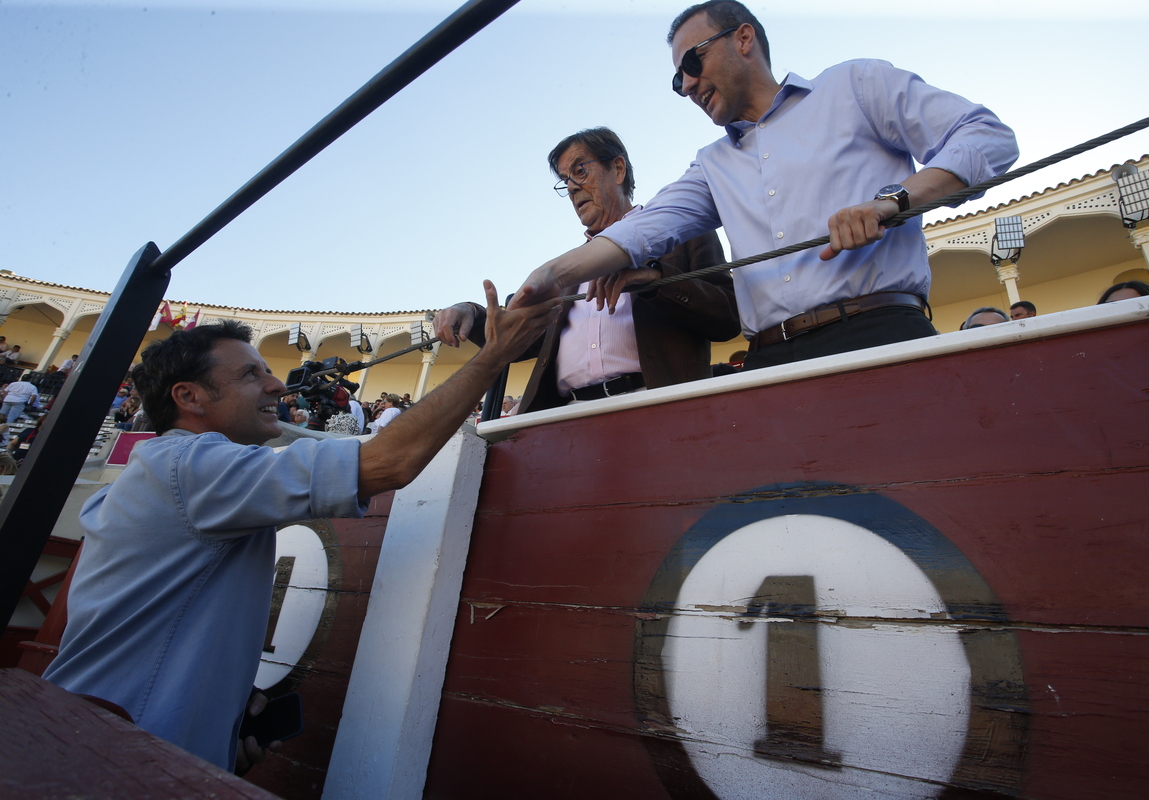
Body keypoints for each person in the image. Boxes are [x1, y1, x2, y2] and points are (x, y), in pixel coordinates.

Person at [42, 286, 558, 773]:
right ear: (190, 397)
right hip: (114, 756)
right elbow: (390, 462)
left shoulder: (167, 468)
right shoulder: (192, 465)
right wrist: (493, 356)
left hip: (96, 736)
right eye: (251, 376)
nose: (275, 385)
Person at [510, 2, 1018, 372]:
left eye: (693, 62)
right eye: (677, 79)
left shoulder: (856, 86)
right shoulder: (712, 165)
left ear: (743, 39)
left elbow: (987, 137)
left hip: (881, 337)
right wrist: (552, 274)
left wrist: (892, 202)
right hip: (768, 363)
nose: (686, 84)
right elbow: (645, 227)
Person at [435, 127, 739, 413]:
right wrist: (472, 314)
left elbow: (727, 317)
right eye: (565, 179)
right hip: (566, 416)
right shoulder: (567, 272)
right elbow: (521, 338)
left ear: (618, 169)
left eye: (580, 170)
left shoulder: (683, 234)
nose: (571, 187)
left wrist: (656, 281)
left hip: (656, 404)